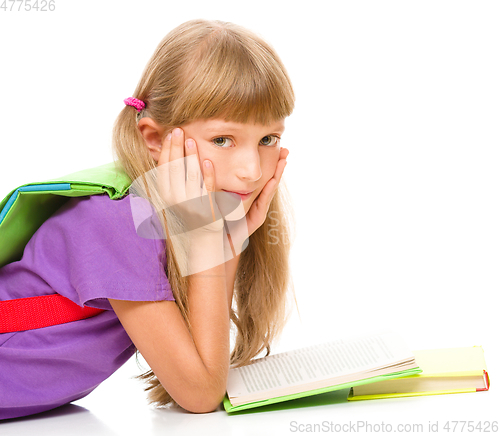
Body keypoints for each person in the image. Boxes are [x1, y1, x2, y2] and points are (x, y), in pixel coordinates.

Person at [0, 18, 296, 418]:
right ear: (154, 139)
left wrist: (225, 244)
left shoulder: (180, 214)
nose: (251, 170)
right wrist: (212, 244)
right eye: (222, 139)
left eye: (268, 140)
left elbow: (201, 365)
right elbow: (200, 393)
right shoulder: (121, 220)